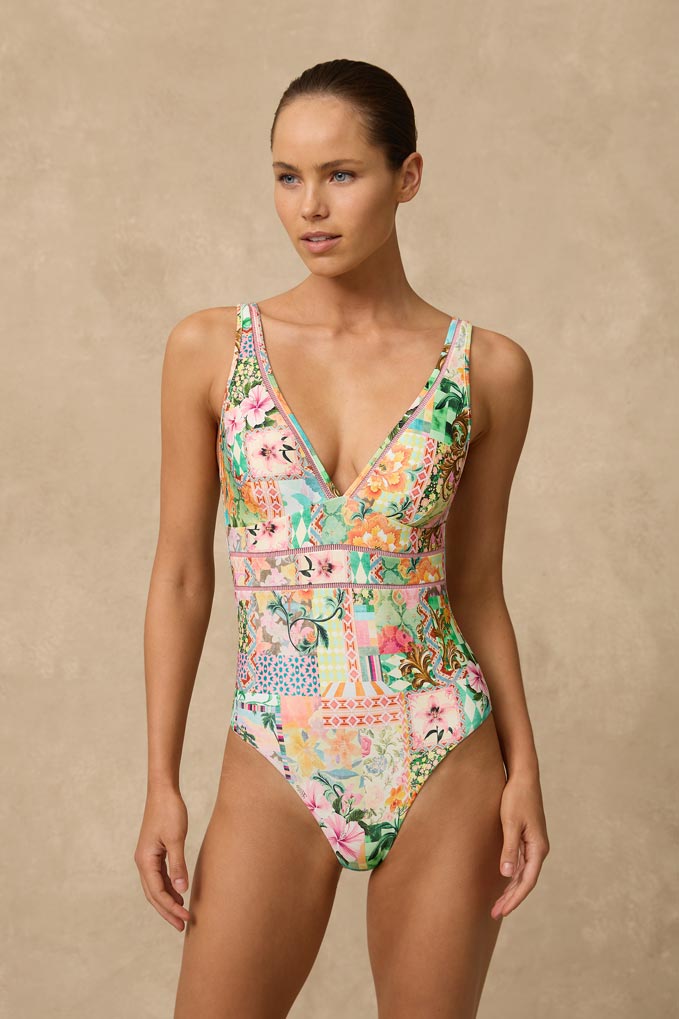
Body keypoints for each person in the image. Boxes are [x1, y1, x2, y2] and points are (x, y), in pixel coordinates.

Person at [135, 58, 550, 1019]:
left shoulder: (487, 369)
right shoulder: (212, 349)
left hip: (440, 743)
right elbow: (184, 575)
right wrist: (160, 780)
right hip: (277, 738)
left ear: (407, 177)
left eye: (341, 175)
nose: (310, 207)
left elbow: (476, 586)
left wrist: (524, 767)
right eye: (288, 177)